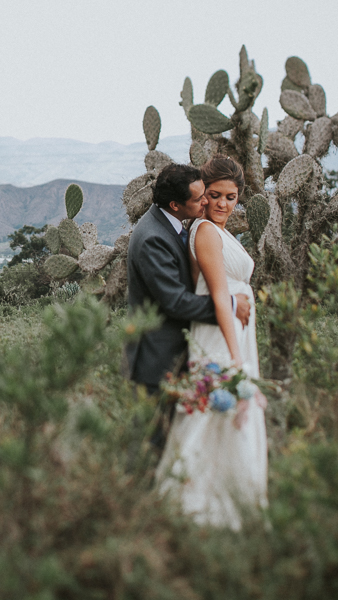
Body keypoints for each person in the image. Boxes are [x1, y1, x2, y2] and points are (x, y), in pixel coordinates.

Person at [155, 155, 268, 530]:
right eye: (214, 195)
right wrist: (237, 358)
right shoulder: (204, 232)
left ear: (240, 198)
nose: (222, 204)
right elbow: (220, 296)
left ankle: (228, 504)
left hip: (233, 331)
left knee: (227, 417)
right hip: (220, 334)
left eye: (231, 197)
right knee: (210, 413)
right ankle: (190, 507)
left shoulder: (219, 231)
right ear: (202, 196)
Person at [125, 163, 251, 449]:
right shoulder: (153, 238)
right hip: (157, 360)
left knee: (176, 438)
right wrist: (230, 306)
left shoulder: (171, 226)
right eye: (199, 198)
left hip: (177, 352)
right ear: (175, 204)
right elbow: (175, 302)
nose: (206, 201)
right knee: (152, 443)